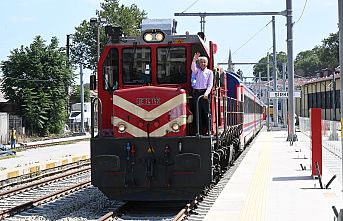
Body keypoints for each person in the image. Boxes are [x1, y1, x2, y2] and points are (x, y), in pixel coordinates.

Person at [191, 52, 213, 135]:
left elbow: (210, 84)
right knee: (197, 112)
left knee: (207, 112)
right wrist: (194, 59)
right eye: (201, 62)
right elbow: (193, 68)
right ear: (199, 63)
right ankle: (198, 131)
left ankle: (209, 130)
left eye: (204, 62)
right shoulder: (197, 71)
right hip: (196, 93)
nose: (203, 63)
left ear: (207, 63)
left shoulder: (210, 72)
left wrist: (207, 93)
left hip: (205, 93)